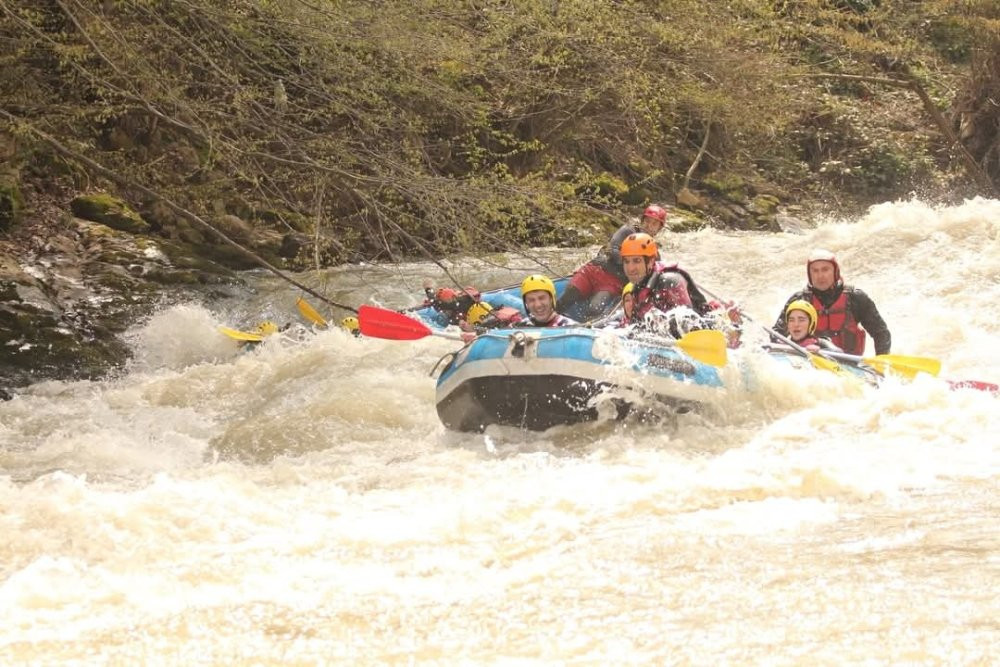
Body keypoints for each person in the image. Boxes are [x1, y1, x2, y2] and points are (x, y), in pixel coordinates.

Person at [558, 204, 669, 321]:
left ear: (659, 229)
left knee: (595, 308)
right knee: (567, 297)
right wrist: (631, 262)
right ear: (642, 220)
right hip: (594, 270)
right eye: (647, 221)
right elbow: (612, 249)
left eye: (654, 224)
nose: (649, 226)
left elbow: (654, 274)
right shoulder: (628, 231)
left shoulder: (653, 254)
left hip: (612, 282)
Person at [773, 249, 891, 355]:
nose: (820, 276)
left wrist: (880, 365)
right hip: (810, 361)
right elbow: (777, 333)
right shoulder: (799, 300)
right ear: (810, 274)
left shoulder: (856, 297)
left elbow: (881, 333)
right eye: (815, 271)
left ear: (835, 272)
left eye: (825, 270)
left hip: (851, 365)